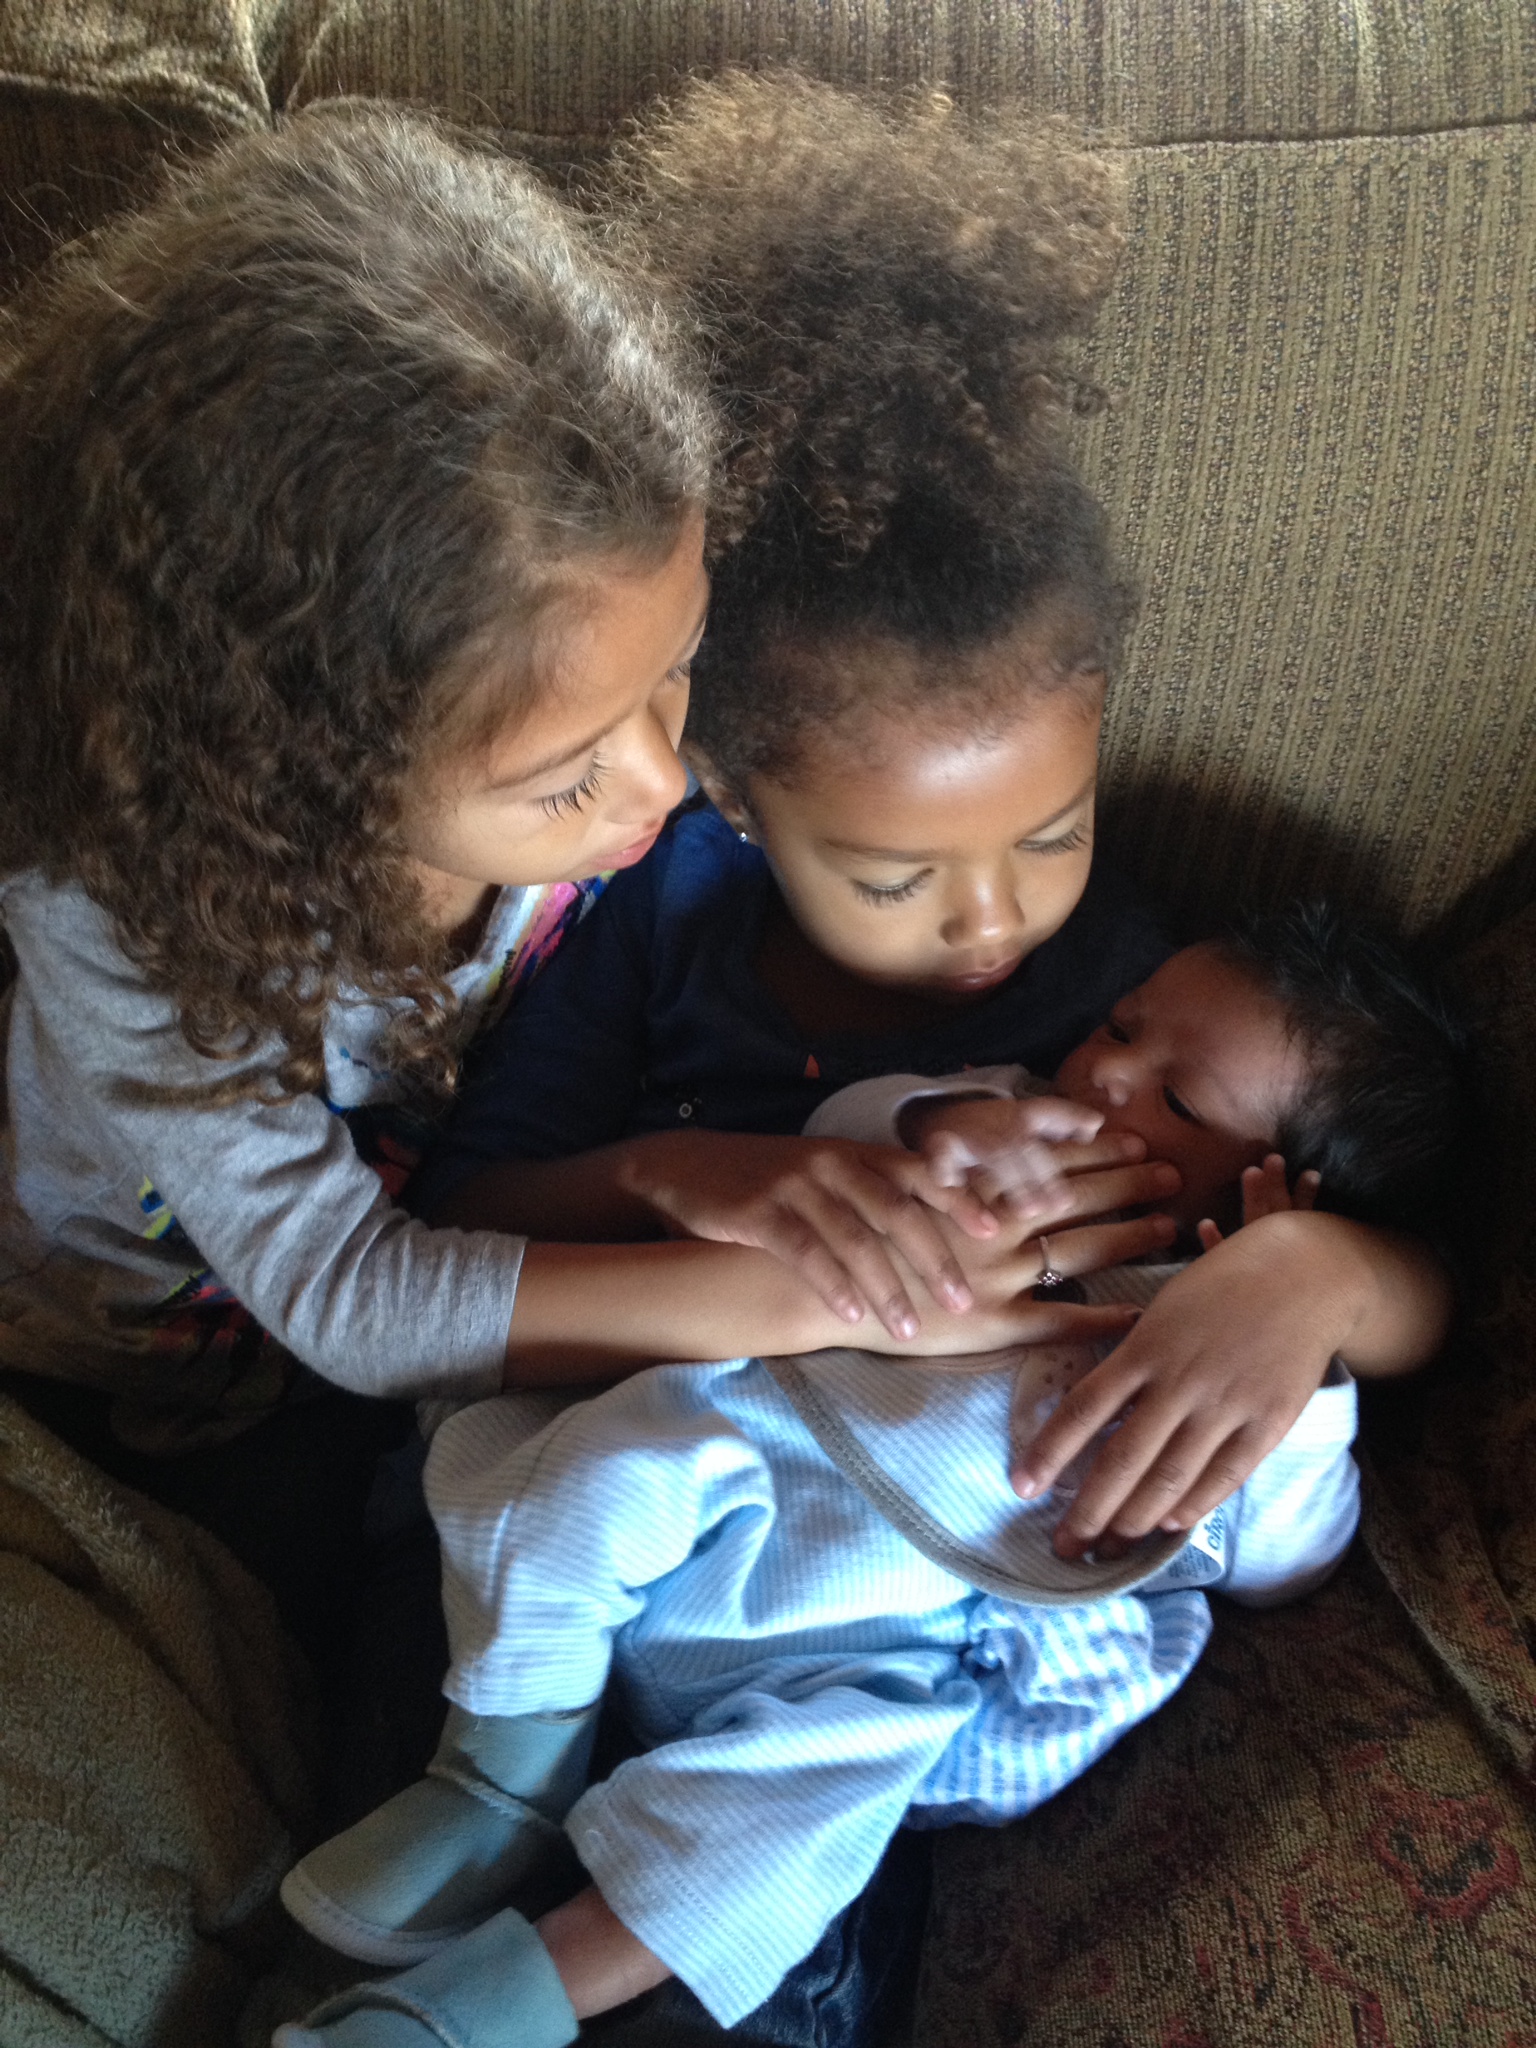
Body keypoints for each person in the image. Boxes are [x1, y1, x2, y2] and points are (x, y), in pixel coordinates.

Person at [0, 100, 1125, 1686]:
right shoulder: (119, 913)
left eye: (679, 672)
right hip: (148, 1371)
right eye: (564, 776)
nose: (664, 786)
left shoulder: (616, 733)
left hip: (483, 1270)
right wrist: (827, 1303)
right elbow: (355, 1300)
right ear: (288, 767)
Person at [412, 72, 1451, 1569]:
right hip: (652, 1493)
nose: (993, 919)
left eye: (1052, 834)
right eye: (895, 878)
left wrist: (1313, 1274)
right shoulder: (661, 912)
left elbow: (1419, 1271)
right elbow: (463, 1216)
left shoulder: (1134, 981)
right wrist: (675, 1172)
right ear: (735, 797)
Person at [272, 909, 1474, 2047]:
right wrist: (946, 1127)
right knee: (591, 1473)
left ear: (1281, 1184)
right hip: (738, 1480)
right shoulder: (1007, 1119)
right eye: (1120, 1024)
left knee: (783, 1840)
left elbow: (1282, 1565)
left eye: (1181, 1098)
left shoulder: (1260, 1377)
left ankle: (489, 2004)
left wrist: (1297, 1362)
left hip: (878, 1661)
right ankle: (494, 1781)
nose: (1108, 1071)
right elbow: (842, 1131)